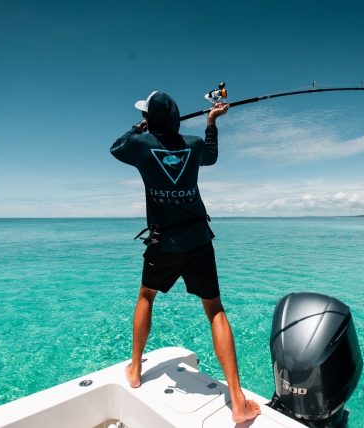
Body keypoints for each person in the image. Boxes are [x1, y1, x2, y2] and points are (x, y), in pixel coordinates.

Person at [110, 91, 261, 423]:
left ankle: (135, 369)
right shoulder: (192, 145)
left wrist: (138, 128)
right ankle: (236, 400)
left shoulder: (140, 145)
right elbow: (211, 155)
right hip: (197, 241)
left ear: (151, 118)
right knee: (215, 310)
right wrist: (211, 122)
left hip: (163, 244)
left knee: (146, 296)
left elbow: (116, 147)